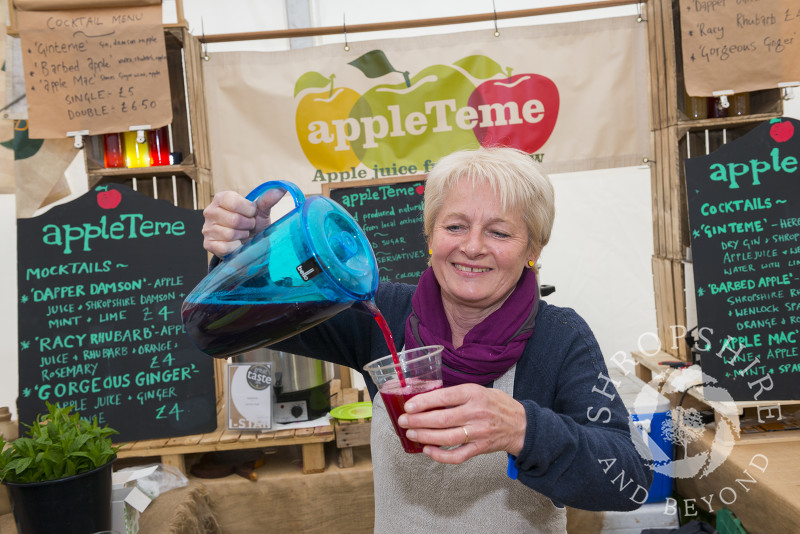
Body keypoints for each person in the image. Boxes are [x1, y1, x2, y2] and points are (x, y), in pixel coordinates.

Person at [201, 147, 652, 533]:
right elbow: (237, 320)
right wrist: (246, 252)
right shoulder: (382, 312)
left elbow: (628, 479)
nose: (472, 247)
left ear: (533, 249)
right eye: (455, 226)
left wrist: (523, 429)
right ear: (430, 236)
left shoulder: (560, 338)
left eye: (499, 232)